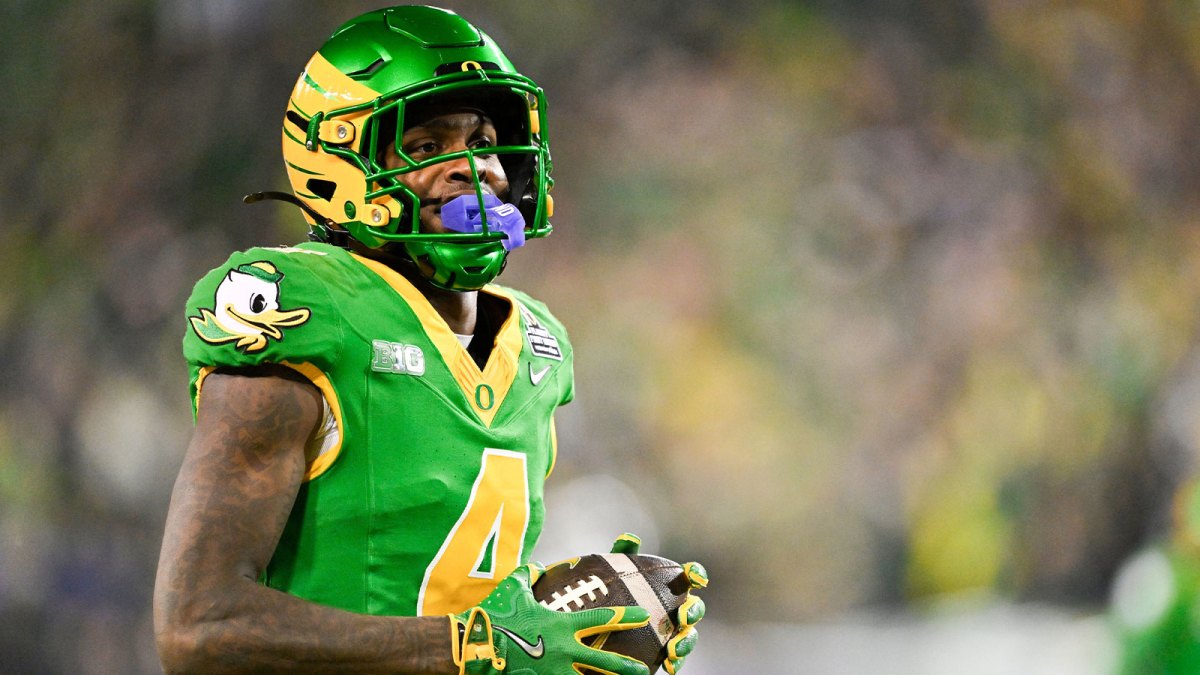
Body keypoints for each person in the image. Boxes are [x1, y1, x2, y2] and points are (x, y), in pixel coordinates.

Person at [152, 5, 705, 674]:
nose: (472, 168)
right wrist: (471, 645)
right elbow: (199, 625)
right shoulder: (303, 314)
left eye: (483, 140)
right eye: (425, 147)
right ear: (339, 160)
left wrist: (562, 623)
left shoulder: (536, 347)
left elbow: (477, 610)